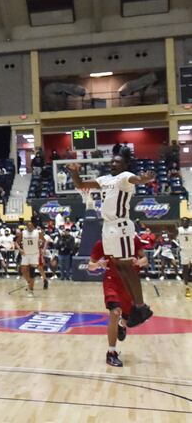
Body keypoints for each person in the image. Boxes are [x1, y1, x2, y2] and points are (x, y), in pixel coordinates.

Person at [68, 151, 156, 326]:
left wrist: (145, 179)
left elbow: (137, 180)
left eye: (117, 162)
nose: (113, 164)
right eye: (112, 162)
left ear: (124, 165)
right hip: (107, 227)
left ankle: (141, 306)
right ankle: (135, 306)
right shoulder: (103, 179)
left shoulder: (125, 177)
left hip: (121, 226)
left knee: (127, 266)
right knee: (118, 265)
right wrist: (74, 172)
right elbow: (80, 184)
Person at [88, 236, 147, 367]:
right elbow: (90, 266)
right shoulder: (103, 242)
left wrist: (138, 262)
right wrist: (99, 264)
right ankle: (111, 353)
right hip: (112, 281)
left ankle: (122, 324)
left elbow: (145, 260)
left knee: (127, 318)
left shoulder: (133, 240)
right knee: (115, 312)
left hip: (129, 282)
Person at [16, 221, 44, 297]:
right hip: (25, 254)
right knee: (23, 271)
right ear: (26, 226)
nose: (30, 227)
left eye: (31, 225)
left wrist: (41, 246)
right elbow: (16, 242)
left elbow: (44, 240)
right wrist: (20, 249)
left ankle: (31, 290)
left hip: (34, 255)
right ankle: (29, 282)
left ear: (33, 226)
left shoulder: (37, 233)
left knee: (32, 272)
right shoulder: (23, 233)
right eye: (28, 226)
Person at [177, 218, 192, 298]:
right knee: (185, 268)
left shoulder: (191, 229)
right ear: (181, 222)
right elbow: (173, 237)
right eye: (183, 221)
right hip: (184, 251)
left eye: (186, 221)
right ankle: (186, 283)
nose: (185, 222)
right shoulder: (179, 230)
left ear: (189, 222)